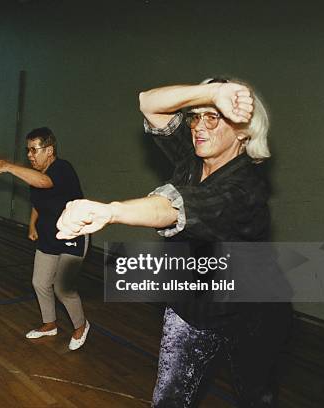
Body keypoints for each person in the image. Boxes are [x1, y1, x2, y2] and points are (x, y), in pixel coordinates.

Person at [55, 79, 291, 406]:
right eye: (196, 116)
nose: (199, 126)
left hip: (252, 315)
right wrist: (211, 94)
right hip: (193, 306)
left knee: (257, 398)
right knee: (168, 400)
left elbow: (173, 207)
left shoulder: (245, 189)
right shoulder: (193, 153)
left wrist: (111, 211)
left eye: (214, 118)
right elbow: (148, 102)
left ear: (243, 133)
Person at [0, 127, 90, 351]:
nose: (29, 155)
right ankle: (50, 324)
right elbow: (39, 202)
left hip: (73, 236)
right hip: (48, 236)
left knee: (63, 287)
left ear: (49, 150)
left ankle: (81, 325)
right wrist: (32, 225)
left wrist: (10, 167)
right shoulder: (35, 174)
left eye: (33, 150)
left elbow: (44, 183)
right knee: (39, 282)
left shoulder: (62, 168)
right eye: (27, 150)